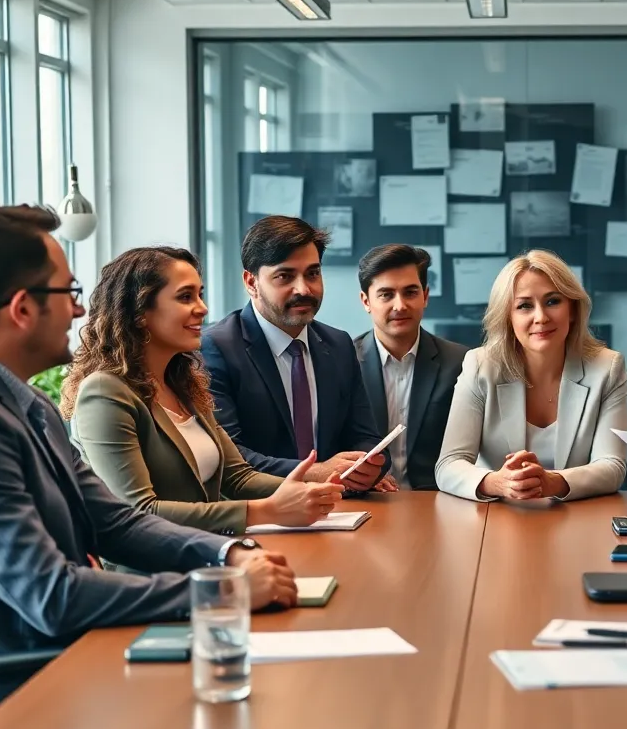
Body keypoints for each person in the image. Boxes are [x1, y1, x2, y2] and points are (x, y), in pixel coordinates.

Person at [0, 207, 297, 729]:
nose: (81, 308)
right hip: (9, 710)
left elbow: (115, 521)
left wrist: (225, 552)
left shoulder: (22, 402)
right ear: (21, 309)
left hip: (72, 667)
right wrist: (220, 592)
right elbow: (51, 596)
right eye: (68, 291)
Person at [63, 247, 344, 539]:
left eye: (200, 294)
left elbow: (238, 477)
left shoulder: (184, 384)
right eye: (185, 297)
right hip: (150, 573)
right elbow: (138, 511)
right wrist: (267, 510)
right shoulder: (104, 392)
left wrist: (311, 491)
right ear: (140, 313)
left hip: (208, 553)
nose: (202, 308)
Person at [200, 215, 387, 490]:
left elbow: (365, 436)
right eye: (285, 276)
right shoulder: (216, 347)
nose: (304, 289)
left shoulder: (338, 345)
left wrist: (369, 467)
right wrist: (316, 472)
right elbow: (229, 456)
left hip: (338, 510)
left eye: (313, 273)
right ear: (251, 282)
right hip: (258, 512)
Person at [435, 250, 627, 502]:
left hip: (576, 518)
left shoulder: (607, 367)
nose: (541, 317)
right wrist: (497, 482)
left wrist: (554, 482)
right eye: (524, 306)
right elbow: (449, 465)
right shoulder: (480, 365)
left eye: (552, 301)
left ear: (572, 308)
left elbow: (612, 466)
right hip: (496, 519)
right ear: (508, 317)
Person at [353, 245, 466, 491]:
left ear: (425, 296)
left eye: (410, 292)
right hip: (368, 501)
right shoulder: (343, 362)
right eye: (386, 294)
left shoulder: (460, 362)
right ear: (366, 301)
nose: (400, 305)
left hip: (439, 499)